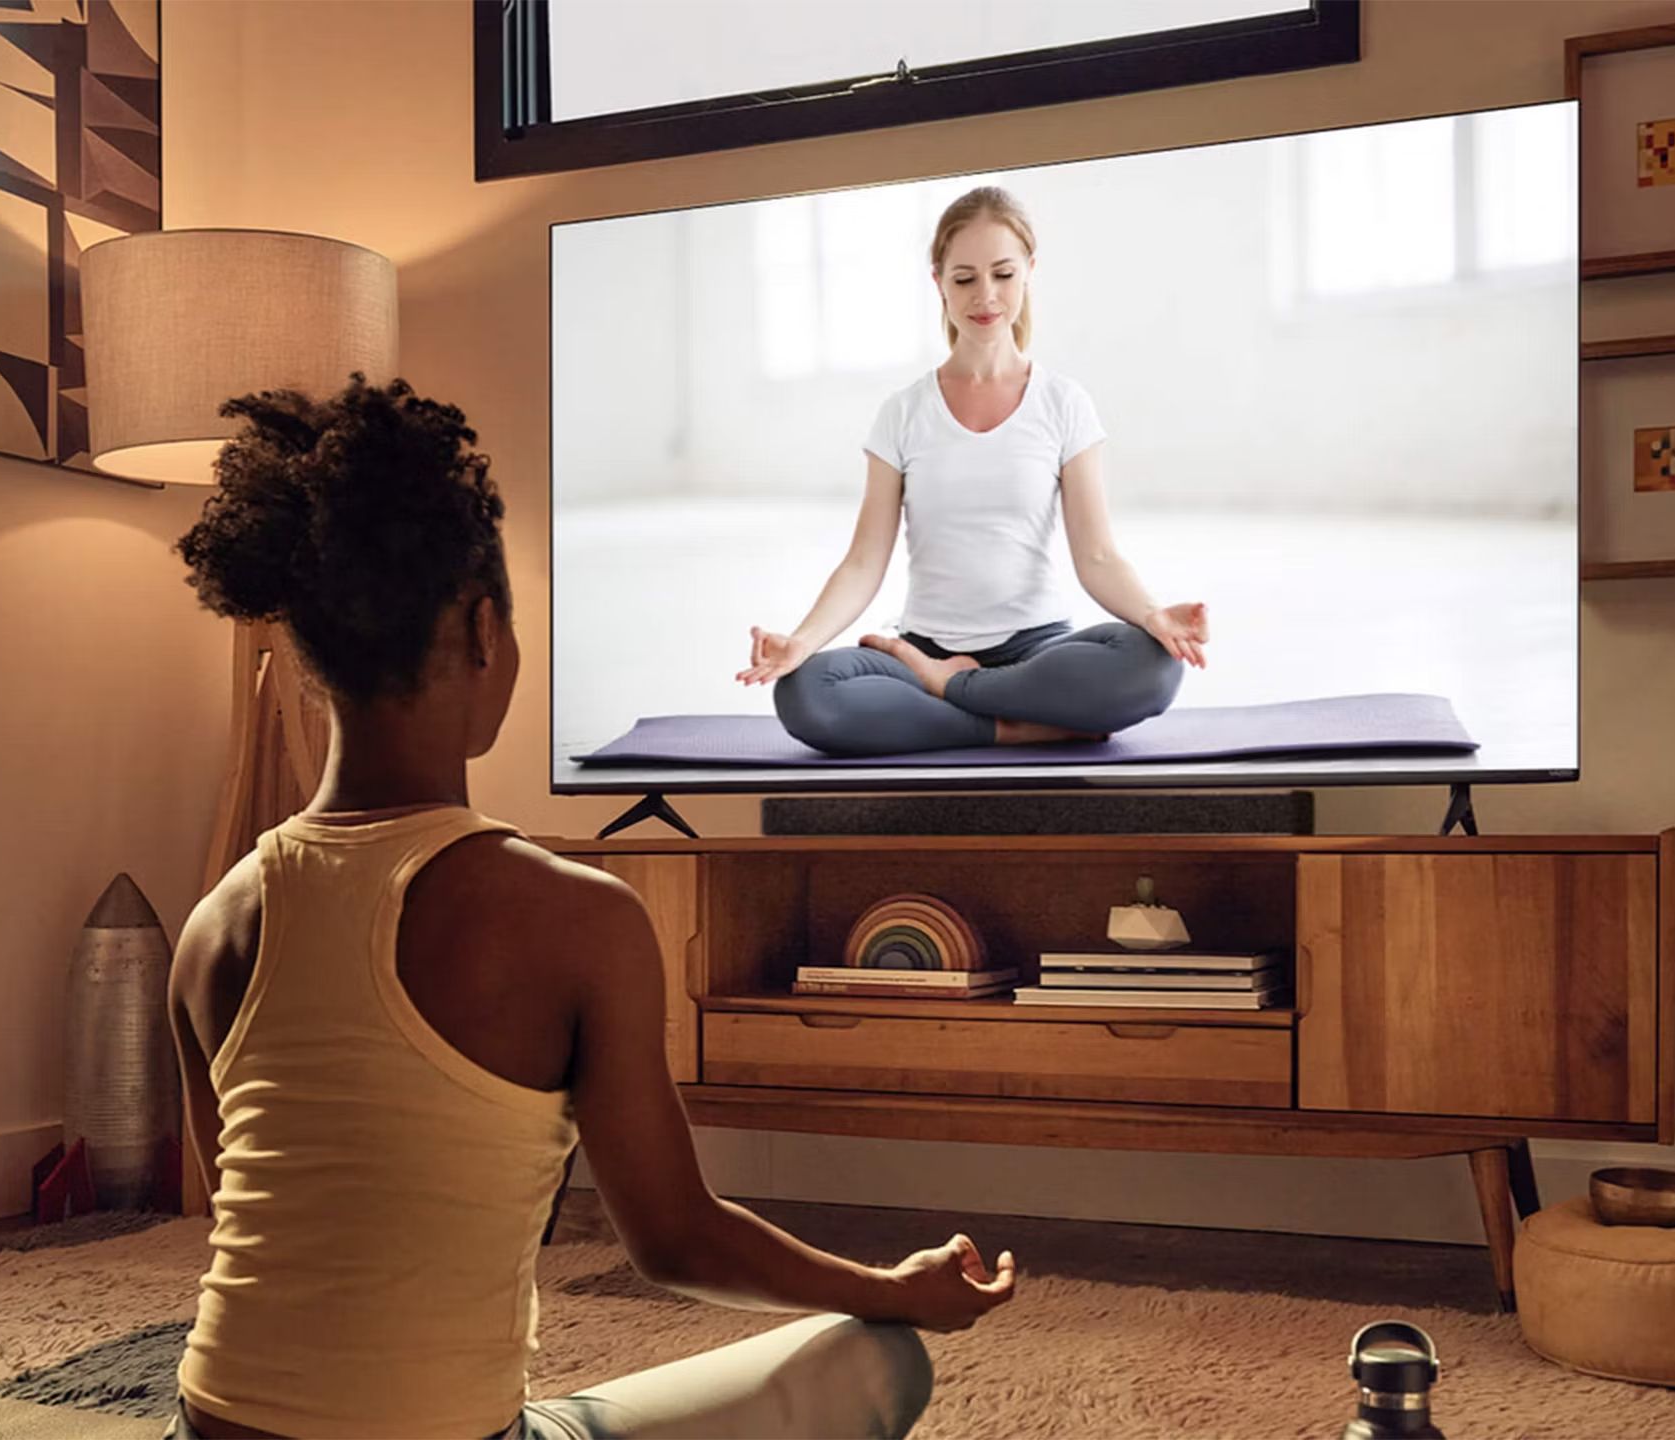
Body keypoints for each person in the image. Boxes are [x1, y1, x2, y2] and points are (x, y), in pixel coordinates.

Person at [164, 376, 1015, 1440]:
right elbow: (675, 1240)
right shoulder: (572, 915)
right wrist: (899, 1289)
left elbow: (264, 1238)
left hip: (203, 1428)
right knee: (877, 1363)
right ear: (484, 634)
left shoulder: (213, 928)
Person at [738, 185, 1211, 757]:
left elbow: (1098, 556)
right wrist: (801, 641)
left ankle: (957, 692)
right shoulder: (904, 413)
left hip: (1036, 652)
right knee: (807, 693)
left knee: (1153, 668)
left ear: (1029, 271)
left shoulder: (1064, 403)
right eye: (964, 279)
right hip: (921, 652)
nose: (985, 297)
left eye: (1003, 275)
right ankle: (1016, 724)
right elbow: (864, 562)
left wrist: (1153, 615)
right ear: (937, 279)